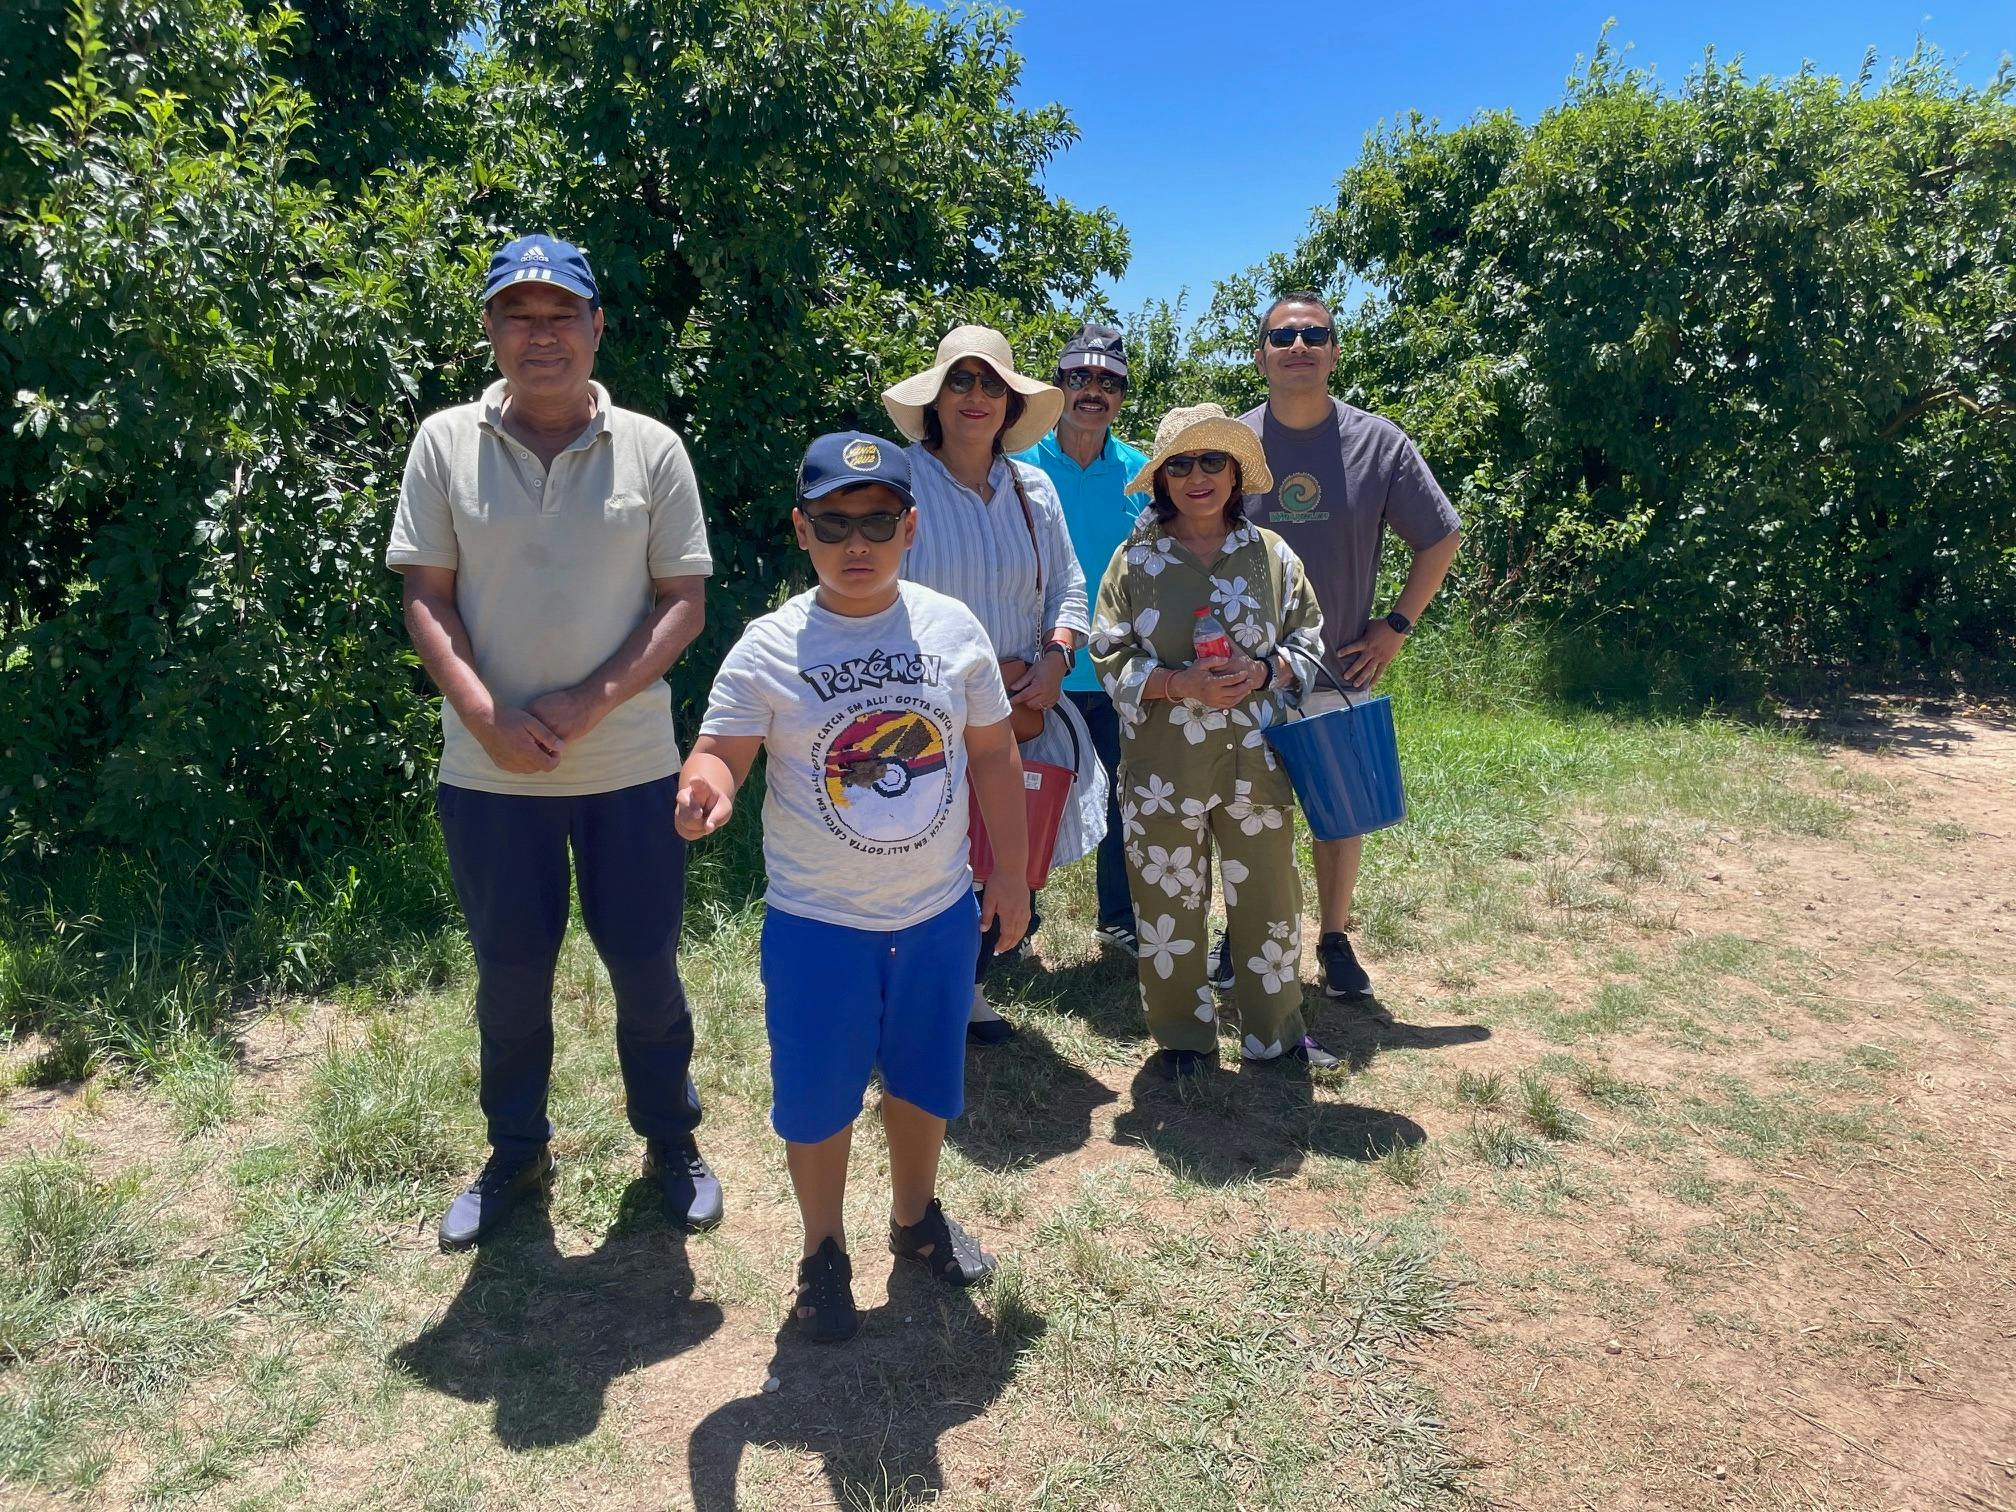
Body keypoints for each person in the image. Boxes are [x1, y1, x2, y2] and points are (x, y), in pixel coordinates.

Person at [386, 233, 722, 1249]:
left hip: (628, 769)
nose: (541, 336)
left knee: (645, 963)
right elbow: (425, 597)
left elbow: (684, 604)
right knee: (511, 972)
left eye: (560, 314)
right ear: (489, 329)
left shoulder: (654, 447)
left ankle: (670, 1139)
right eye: (518, 316)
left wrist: (588, 702)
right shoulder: (443, 443)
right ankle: (514, 1152)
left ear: (596, 326)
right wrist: (486, 714)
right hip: (487, 774)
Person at [675, 432, 1030, 1343]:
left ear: (909, 526)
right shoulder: (769, 646)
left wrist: (1014, 878)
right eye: (834, 523)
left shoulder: (953, 630)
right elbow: (722, 748)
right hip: (818, 924)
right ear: (802, 529)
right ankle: (822, 1252)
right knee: (818, 1098)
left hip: (937, 912)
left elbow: (992, 754)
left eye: (877, 521)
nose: (856, 542)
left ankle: (915, 1220)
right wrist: (705, 786)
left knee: (924, 1081)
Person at [1090, 404, 1334, 1079]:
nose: (1197, 476)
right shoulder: (1134, 559)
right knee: (1167, 904)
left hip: (1256, 764)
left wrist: (1263, 670)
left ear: (1235, 474)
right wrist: (1178, 685)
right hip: (1160, 768)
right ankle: (1182, 1042)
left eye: (1212, 462)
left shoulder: (1272, 556)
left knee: (1269, 902)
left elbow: (1310, 638)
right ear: (1162, 478)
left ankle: (1275, 1035)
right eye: (1180, 464)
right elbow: (1107, 653)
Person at [1237, 291, 1462, 1008]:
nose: (1298, 345)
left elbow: (1441, 537)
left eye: (1314, 334)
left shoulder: (1379, 444)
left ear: (1334, 352)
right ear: (1260, 354)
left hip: (1337, 665)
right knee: (1245, 815)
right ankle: (1241, 935)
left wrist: (1395, 626)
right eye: (1283, 336)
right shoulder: (1231, 443)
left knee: (1340, 814)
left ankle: (1334, 942)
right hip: (1242, 672)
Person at [881, 326, 1103, 1044]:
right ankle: (905, 996)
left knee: (997, 851)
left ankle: (967, 993)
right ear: (935, 398)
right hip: (920, 704)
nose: (976, 397)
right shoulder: (899, 483)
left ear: (1010, 404)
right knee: (917, 852)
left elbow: (1068, 588)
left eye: (991, 385)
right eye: (961, 381)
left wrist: (1057, 656)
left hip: (1015, 708)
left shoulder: (1032, 489)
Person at [1011, 323, 1151, 958]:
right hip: (1038, 667)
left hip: (1121, 672)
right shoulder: (1019, 467)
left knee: (1124, 799)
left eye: (1108, 381)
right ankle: (1014, 919)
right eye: (1080, 377)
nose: (1093, 391)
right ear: (1058, 384)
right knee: (1022, 796)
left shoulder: (1143, 476)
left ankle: (1118, 918)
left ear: (1122, 393)